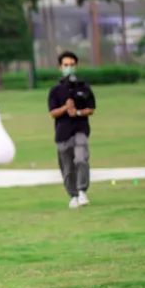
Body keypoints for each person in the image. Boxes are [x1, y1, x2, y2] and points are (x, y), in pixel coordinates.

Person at [48, 51, 96, 209]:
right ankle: (73, 195)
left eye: (72, 65)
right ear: (60, 67)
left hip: (80, 129)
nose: (69, 67)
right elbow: (52, 113)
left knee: (81, 159)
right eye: (66, 65)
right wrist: (65, 108)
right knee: (67, 167)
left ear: (76, 66)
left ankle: (82, 191)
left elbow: (91, 108)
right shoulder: (55, 91)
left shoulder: (84, 87)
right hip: (63, 133)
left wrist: (78, 112)